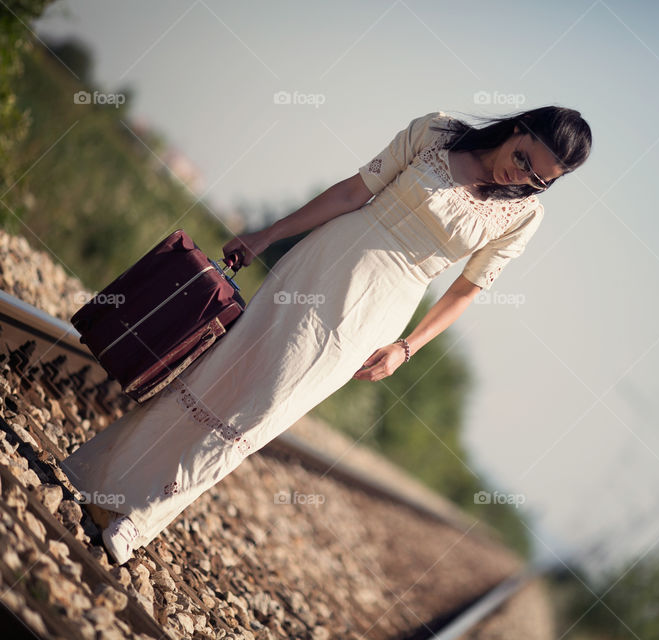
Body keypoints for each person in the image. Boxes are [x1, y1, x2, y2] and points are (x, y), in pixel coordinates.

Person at [61, 106, 592, 564]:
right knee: (219, 372)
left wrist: (408, 347)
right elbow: (351, 192)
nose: (521, 176)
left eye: (540, 179)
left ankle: (142, 518)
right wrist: (267, 235)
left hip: (378, 310)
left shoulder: (524, 216)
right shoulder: (437, 131)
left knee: (262, 412)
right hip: (320, 265)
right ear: (519, 128)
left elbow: (465, 291)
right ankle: (107, 478)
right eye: (524, 159)